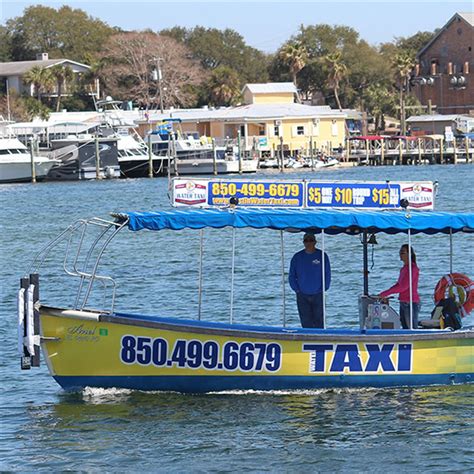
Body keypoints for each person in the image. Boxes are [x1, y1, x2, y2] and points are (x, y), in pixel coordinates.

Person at [289, 232, 331, 328]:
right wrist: (297, 290)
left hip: (318, 294)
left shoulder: (322, 256)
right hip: (302, 295)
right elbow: (291, 276)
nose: (309, 243)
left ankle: (320, 339)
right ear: (303, 242)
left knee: (319, 321)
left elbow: (327, 273)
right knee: (305, 321)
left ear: (315, 242)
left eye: (311, 240)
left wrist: (324, 288)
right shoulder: (297, 257)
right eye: (306, 240)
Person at [379, 244, 420, 329]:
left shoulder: (412, 268)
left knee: (411, 328)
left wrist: (386, 293)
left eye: (403, 252)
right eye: (400, 252)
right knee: (405, 327)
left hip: (410, 302)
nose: (400, 254)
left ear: (409, 254)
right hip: (403, 301)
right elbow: (399, 285)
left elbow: (404, 287)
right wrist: (386, 293)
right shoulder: (404, 268)